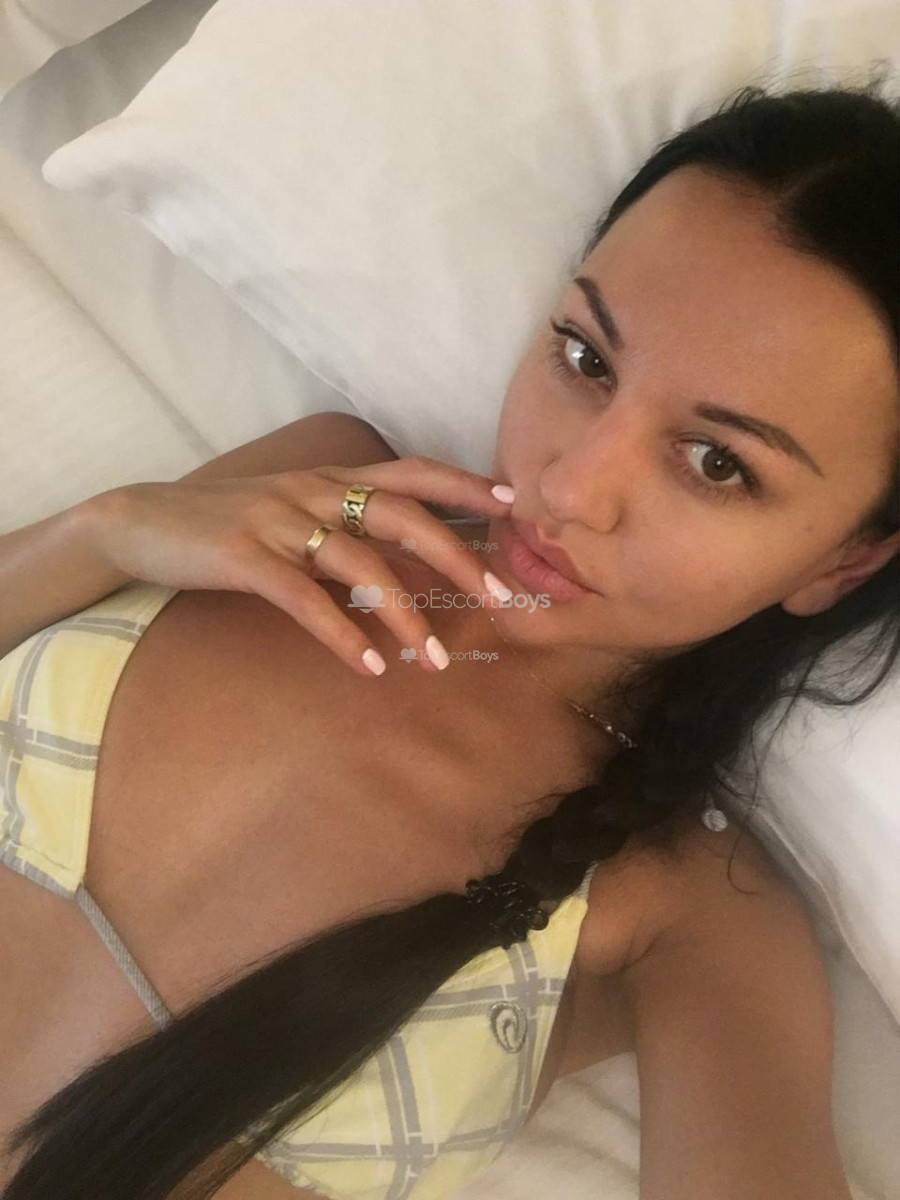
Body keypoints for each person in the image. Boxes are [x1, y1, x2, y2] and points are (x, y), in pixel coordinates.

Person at [0, 80, 897, 1200]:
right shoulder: (316, 485)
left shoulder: (695, 915)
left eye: (718, 464)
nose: (570, 488)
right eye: (587, 359)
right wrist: (103, 530)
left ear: (840, 562)